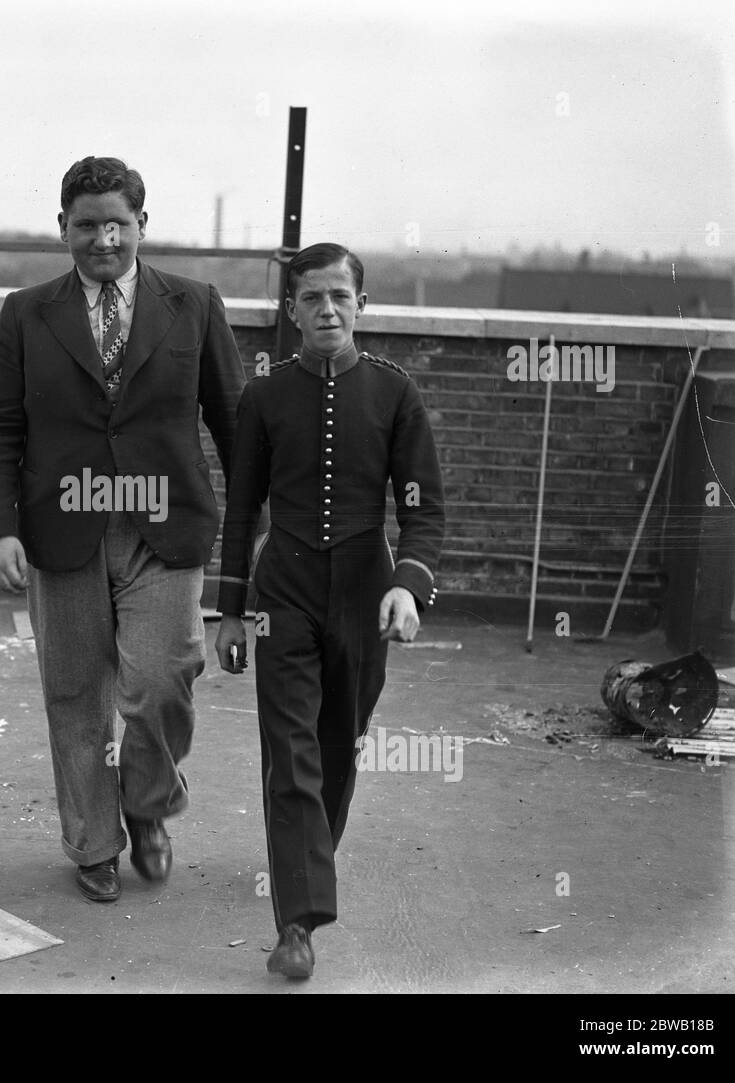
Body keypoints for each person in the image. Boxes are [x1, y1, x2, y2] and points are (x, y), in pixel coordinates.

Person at [0, 156, 246, 902]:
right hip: (60, 531)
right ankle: (92, 840)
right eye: (86, 224)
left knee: (163, 681)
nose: (102, 240)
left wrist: (255, 539)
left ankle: (148, 801)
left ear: (142, 226)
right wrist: (0, 530)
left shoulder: (194, 304)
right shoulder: (27, 313)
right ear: (62, 227)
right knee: (74, 693)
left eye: (116, 224)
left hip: (167, 528)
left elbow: (237, 427)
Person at [214, 242, 445, 978]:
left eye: (340, 296)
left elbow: (423, 509)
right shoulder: (264, 396)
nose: (327, 310)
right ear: (291, 310)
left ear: (362, 305)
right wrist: (229, 611)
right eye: (311, 297)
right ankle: (298, 924)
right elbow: (242, 509)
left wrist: (407, 584)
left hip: (364, 594)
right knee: (292, 753)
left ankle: (305, 858)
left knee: (338, 747)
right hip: (282, 592)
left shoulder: (393, 393)